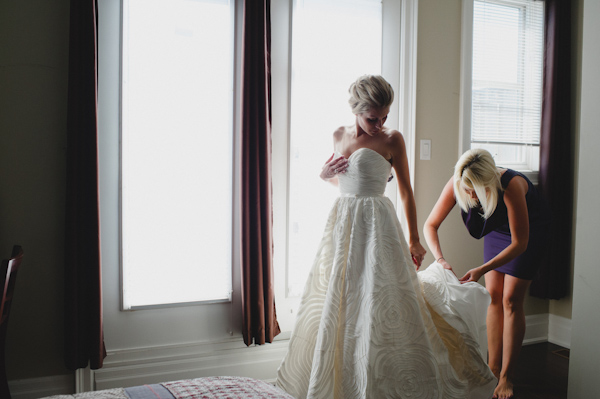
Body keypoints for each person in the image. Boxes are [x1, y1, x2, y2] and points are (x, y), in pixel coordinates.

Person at [275, 75, 496, 399]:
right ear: (356, 111)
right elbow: (347, 182)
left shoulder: (393, 140)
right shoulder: (338, 135)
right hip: (344, 222)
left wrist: (413, 239)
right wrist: (325, 177)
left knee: (382, 296)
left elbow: (405, 191)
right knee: (341, 297)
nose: (379, 124)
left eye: (384, 118)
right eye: (372, 118)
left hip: (379, 223)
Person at [423, 148, 551, 399]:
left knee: (511, 300)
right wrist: (440, 259)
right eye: (466, 189)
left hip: (528, 232)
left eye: (475, 190)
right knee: (493, 296)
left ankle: (506, 377)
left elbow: (520, 243)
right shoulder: (460, 180)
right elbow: (431, 224)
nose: (469, 195)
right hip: (497, 232)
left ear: (489, 181)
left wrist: (482, 269)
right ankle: (493, 368)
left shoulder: (511, 185)